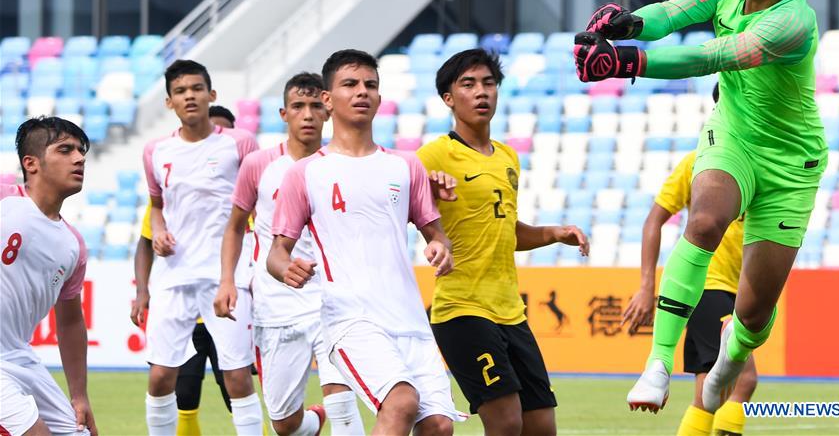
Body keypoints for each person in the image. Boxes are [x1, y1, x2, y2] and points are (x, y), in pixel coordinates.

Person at [572, 0, 828, 413]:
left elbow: (714, 55)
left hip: (791, 167)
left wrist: (626, 62)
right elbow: (671, 14)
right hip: (732, 135)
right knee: (705, 221)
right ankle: (658, 363)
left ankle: (728, 366)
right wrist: (630, 25)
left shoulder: (793, 23)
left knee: (754, 316)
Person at [268, 49, 462, 436]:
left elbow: (435, 233)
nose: (362, 92)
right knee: (401, 402)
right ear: (328, 99)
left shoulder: (406, 166)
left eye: (370, 85)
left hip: (409, 319)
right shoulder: (306, 174)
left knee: (438, 426)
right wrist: (285, 268)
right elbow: (277, 251)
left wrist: (440, 247)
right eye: (350, 84)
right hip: (350, 319)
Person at [416, 49, 590, 436]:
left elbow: (505, 229)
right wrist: (427, 214)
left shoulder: (508, 158)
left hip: (510, 311)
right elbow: (396, 204)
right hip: (461, 309)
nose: (482, 92)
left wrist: (553, 233)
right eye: (469, 84)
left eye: (489, 83)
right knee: (507, 423)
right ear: (448, 98)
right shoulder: (432, 156)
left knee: (542, 426)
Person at [214, 73, 365, 436]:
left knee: (341, 400)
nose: (308, 114)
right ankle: (310, 425)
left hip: (335, 301)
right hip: (276, 303)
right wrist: (227, 281)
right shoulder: (258, 165)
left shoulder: (346, 164)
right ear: (284, 114)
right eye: (299, 106)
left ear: (328, 110)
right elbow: (236, 226)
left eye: (316, 105)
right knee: (284, 424)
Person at [622, 85, 757, 436]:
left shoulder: (760, 164)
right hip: (706, 286)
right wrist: (646, 286)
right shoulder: (700, 162)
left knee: (722, 390)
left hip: (734, 290)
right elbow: (654, 219)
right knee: (736, 384)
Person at [142, 60, 262, 435]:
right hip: (174, 275)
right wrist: (159, 233)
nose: (189, 96)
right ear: (169, 102)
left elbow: (256, 204)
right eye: (180, 91)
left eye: (196, 88)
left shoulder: (239, 144)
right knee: (161, 376)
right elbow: (158, 208)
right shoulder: (155, 152)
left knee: (237, 376)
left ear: (211, 95)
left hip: (226, 276)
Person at [132, 105, 243, 436]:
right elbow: (145, 241)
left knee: (234, 392)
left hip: (230, 309)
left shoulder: (243, 206)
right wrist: (142, 292)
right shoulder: (171, 203)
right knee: (185, 395)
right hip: (186, 315)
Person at [0, 117, 97, 436]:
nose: (79, 158)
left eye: (81, 151)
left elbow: (70, 321)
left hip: (18, 356)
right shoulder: (4, 198)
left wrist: (79, 395)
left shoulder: (73, 245)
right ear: (31, 163)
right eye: (65, 150)